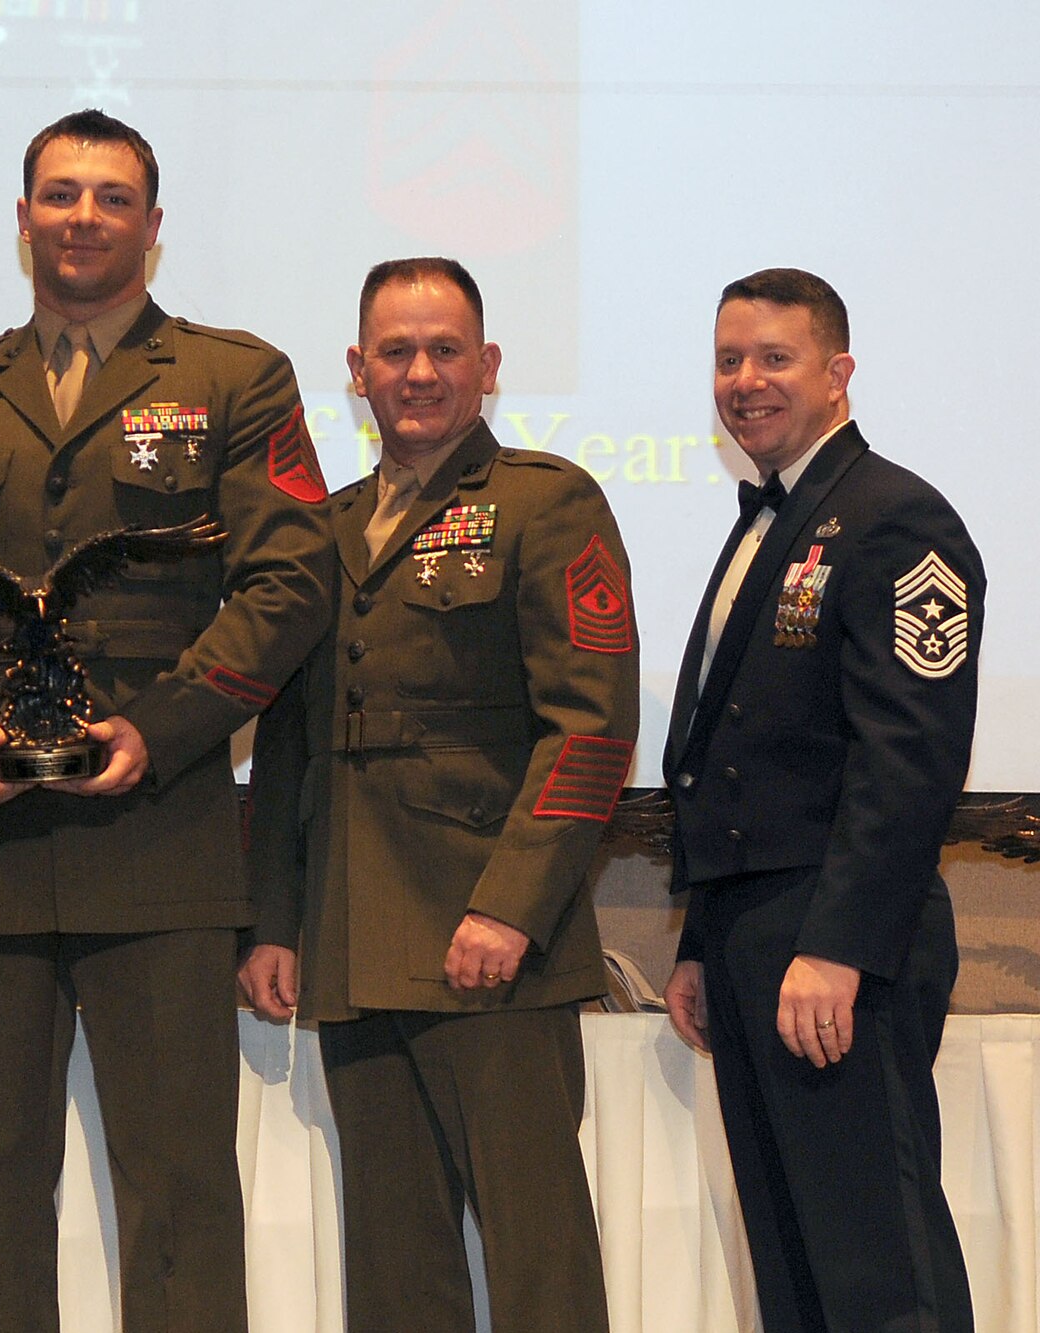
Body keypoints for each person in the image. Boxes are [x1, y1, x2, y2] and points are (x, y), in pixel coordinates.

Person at [0, 108, 333, 1331]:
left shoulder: (236, 376)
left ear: (152, 228)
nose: (82, 218)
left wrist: (161, 729)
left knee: (177, 1190)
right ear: (21, 220)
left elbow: (287, 582)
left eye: (110, 198)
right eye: (59, 196)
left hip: (161, 839)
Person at [243, 257, 634, 1332]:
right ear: (356, 369)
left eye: (443, 349)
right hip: (355, 942)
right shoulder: (317, 532)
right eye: (395, 352)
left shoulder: (544, 503)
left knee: (537, 1262)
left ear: (487, 366)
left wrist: (510, 905)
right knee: (393, 1271)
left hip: (490, 946)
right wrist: (275, 920)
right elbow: (288, 748)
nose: (418, 372)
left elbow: (590, 727)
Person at [661, 268, 978, 1331]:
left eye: (773, 358)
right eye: (726, 359)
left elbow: (908, 761)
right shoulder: (773, 514)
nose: (744, 382)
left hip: (837, 937)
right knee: (795, 1268)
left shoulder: (893, 517)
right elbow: (725, 750)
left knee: (875, 1267)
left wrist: (837, 946)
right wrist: (702, 937)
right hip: (757, 933)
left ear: (837, 373)